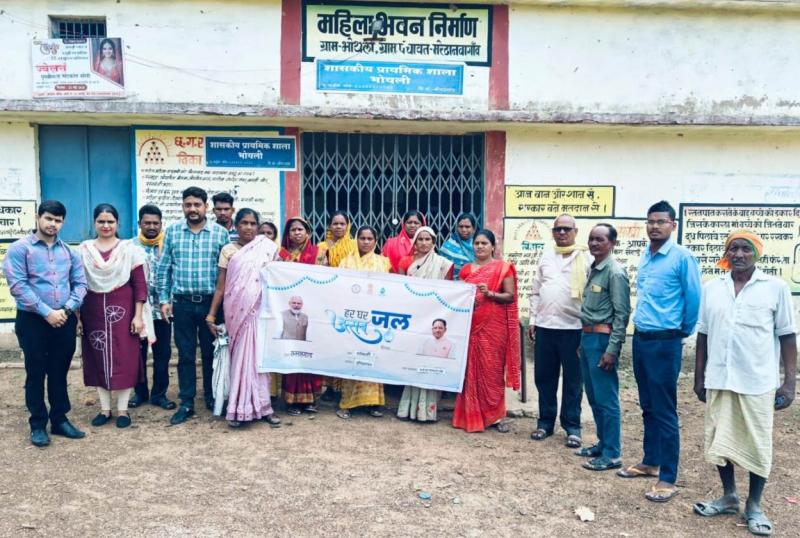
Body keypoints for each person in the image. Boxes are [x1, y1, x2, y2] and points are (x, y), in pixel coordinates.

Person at [692, 230, 796, 536]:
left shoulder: (775, 288)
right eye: (733, 249)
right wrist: (699, 377)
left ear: (757, 253)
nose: (738, 254)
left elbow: (787, 336)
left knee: (757, 443)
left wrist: (789, 383)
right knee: (720, 438)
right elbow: (703, 334)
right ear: (726, 253)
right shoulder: (713, 288)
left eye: (745, 249)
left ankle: (754, 504)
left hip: (757, 381)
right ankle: (729, 496)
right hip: (719, 378)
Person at [618, 200, 702, 503]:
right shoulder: (646, 255)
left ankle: (668, 477)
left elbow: (693, 299)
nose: (654, 227)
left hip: (665, 342)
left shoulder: (682, 258)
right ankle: (650, 461)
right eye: (651, 221)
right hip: (641, 339)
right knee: (648, 405)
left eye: (661, 222)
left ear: (673, 225)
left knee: (664, 409)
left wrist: (680, 331)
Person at [3, 200, 88, 447]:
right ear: (38, 217)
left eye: (58, 220)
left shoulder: (69, 252)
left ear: (63, 222)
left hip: (63, 319)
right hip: (32, 321)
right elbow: (18, 286)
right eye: (49, 218)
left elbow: (81, 284)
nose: (53, 224)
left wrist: (66, 309)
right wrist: (46, 312)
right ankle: (38, 424)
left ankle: (59, 419)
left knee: (59, 371)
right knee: (36, 372)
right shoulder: (19, 249)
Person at [158, 186, 230, 425]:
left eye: (197, 205)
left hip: (211, 305)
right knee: (186, 354)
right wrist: (164, 300)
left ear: (205, 207)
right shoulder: (172, 232)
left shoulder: (220, 234)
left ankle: (212, 397)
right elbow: (164, 268)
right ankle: (187, 402)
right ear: (183, 207)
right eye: (188, 205)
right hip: (183, 304)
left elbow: (227, 273)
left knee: (211, 353)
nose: (192, 209)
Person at [205, 208, 282, 429]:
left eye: (252, 223)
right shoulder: (228, 250)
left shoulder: (267, 249)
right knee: (239, 359)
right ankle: (239, 408)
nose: (248, 227)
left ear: (258, 227)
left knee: (258, 360)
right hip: (235, 312)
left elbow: (278, 281)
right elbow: (221, 287)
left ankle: (264, 407)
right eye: (244, 223)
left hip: (260, 313)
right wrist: (211, 314)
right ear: (236, 226)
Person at [78, 204, 150, 429]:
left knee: (124, 357)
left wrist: (138, 316)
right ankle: (104, 409)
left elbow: (140, 285)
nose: (106, 225)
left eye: (110, 221)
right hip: (92, 310)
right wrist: (78, 318)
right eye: (101, 221)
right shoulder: (83, 250)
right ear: (94, 223)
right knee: (97, 356)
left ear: (118, 223)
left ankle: (123, 410)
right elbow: (76, 285)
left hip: (123, 310)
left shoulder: (130, 250)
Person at [528, 214, 589, 448]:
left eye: (566, 229)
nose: (561, 233)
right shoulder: (546, 256)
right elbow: (536, 291)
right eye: (557, 229)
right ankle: (545, 423)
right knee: (544, 378)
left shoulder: (586, 258)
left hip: (574, 328)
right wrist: (533, 319)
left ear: (575, 231)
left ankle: (572, 427)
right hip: (545, 327)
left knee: (573, 380)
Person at [452, 229, 521, 433]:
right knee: (470, 370)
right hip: (471, 326)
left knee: (492, 370)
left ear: (493, 247)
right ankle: (470, 414)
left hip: (494, 327)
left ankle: (495, 415)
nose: (480, 247)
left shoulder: (503, 268)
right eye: (477, 243)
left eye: (484, 243)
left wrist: (490, 294)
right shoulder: (466, 270)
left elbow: (510, 296)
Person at [577, 224, 631, 471]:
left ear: (612, 243)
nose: (594, 243)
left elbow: (621, 314)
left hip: (603, 341)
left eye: (600, 239)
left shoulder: (614, 272)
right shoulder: (595, 268)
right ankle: (602, 443)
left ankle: (612, 453)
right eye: (591, 239)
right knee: (594, 396)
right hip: (589, 338)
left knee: (607, 399)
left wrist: (612, 350)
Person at [396, 226, 454, 422]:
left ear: (434, 242)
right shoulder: (405, 262)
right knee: (414, 360)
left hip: (434, 317)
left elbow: (448, 291)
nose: (423, 242)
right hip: (412, 318)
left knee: (430, 361)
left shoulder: (443, 264)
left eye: (427, 239)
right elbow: (400, 290)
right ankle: (408, 408)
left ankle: (427, 411)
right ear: (414, 242)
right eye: (420, 239)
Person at [335, 225, 392, 419]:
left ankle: (373, 403)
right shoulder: (345, 262)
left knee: (372, 358)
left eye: (370, 239)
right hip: (351, 318)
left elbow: (388, 291)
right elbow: (340, 288)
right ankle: (347, 404)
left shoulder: (383, 263)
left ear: (376, 241)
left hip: (373, 319)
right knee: (351, 356)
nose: (366, 242)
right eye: (362, 238)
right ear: (356, 239)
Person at [130, 204, 176, 411]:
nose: (151, 227)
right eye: (147, 223)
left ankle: (159, 394)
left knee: (162, 354)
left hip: (163, 310)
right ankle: (140, 393)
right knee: (137, 355)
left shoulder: (168, 245)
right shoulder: (129, 247)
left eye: (155, 223)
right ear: (139, 223)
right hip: (138, 311)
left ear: (161, 224)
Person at [277, 217, 323, 415]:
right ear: (288, 234)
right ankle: (291, 400)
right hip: (290, 307)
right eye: (293, 230)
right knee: (292, 353)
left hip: (311, 308)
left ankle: (311, 399)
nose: (296, 233)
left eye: (300, 229)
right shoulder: (281, 255)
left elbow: (324, 279)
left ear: (308, 232)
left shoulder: (319, 253)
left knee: (310, 352)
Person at [316, 211, 357, 400]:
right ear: (330, 226)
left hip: (347, 297)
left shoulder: (354, 245)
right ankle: (330, 386)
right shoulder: (322, 246)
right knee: (329, 342)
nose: (339, 227)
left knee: (345, 342)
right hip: (327, 297)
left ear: (348, 226)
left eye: (342, 223)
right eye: (335, 223)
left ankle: (343, 387)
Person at [439, 212, 477, 280]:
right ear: (457, 228)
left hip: (473, 283)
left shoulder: (477, 246)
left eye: (467, 227)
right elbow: (440, 268)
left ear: (474, 229)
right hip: (451, 284)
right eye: (461, 226)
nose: (464, 230)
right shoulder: (448, 246)